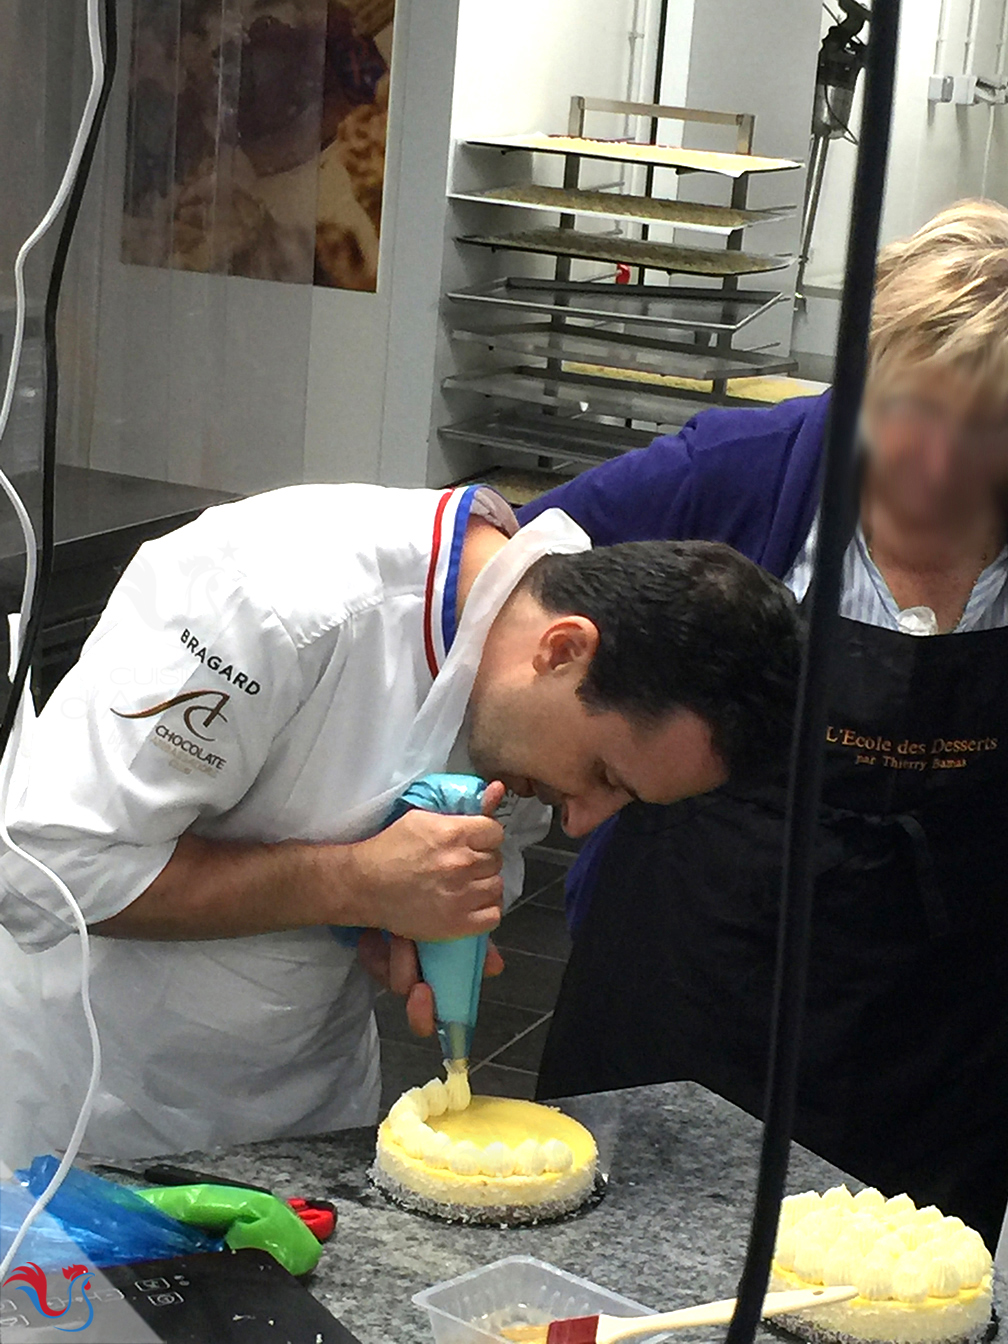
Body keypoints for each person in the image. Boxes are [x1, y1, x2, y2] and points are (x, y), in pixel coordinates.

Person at [0, 481, 798, 1164]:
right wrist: (356, 882)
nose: (583, 821)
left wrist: (398, 926)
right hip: (90, 1108)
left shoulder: (515, 690)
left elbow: (396, 867)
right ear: (562, 649)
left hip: (304, 1105)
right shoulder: (274, 602)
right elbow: (46, 872)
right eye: (600, 776)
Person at [519, 199, 1008, 1248]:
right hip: (688, 986)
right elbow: (507, 584)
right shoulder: (737, 476)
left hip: (937, 1037)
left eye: (985, 430)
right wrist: (538, 765)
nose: (934, 461)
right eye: (909, 410)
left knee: (891, 1296)